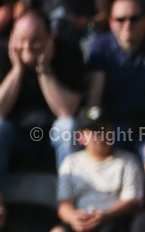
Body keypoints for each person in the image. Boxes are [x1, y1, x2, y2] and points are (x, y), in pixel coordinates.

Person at [85, 0, 145, 161]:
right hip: (112, 127)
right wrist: (96, 137)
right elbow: (94, 97)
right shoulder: (100, 46)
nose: (127, 25)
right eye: (120, 19)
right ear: (110, 22)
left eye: (134, 18)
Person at [0, 9, 83, 172]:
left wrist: (44, 68)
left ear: (50, 36)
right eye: (21, 40)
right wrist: (17, 70)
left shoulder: (70, 53)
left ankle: (67, 194)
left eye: (35, 40)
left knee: (68, 126)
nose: (27, 47)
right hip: (15, 132)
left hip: (52, 133)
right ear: (11, 38)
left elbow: (66, 111)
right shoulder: (2, 54)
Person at [49, 105, 142, 232]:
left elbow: (133, 201)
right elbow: (63, 203)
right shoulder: (70, 163)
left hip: (114, 221)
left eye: (104, 129)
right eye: (94, 131)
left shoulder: (128, 161)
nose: (100, 136)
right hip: (80, 222)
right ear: (81, 137)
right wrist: (73, 217)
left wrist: (105, 215)